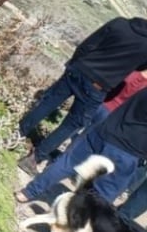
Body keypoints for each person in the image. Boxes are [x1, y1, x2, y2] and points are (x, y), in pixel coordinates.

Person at [18, 16, 147, 172]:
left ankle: (18, 133)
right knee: (72, 124)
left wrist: (74, 63)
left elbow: (89, 43)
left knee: (47, 103)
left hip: (79, 69)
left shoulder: (120, 23)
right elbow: (139, 68)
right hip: (97, 86)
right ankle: (35, 157)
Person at [18, 85, 147, 207]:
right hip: (128, 150)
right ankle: (73, 223)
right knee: (103, 195)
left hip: (104, 131)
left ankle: (27, 192)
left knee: (67, 163)